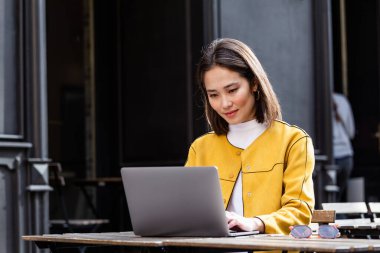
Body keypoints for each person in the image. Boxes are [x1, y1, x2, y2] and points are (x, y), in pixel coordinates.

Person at [185, 38, 315, 235]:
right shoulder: (200, 148)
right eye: (213, 95)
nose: (224, 103)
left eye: (232, 90)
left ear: (254, 84)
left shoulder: (293, 141)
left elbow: (299, 212)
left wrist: (255, 223)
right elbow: (185, 211)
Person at [332, 92, 355, 202]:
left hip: (331, 155)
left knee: (328, 198)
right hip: (346, 154)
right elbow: (351, 132)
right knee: (338, 196)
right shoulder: (343, 101)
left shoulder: (317, 97)